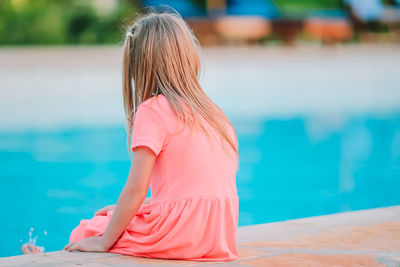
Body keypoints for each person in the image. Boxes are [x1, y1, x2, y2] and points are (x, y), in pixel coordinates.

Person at [22, 9, 240, 261]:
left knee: (89, 229)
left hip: (178, 235)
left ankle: (43, 258)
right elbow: (199, 188)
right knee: (111, 213)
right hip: (217, 237)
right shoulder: (215, 115)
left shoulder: (154, 110)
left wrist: (104, 241)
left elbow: (136, 189)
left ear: (139, 65)